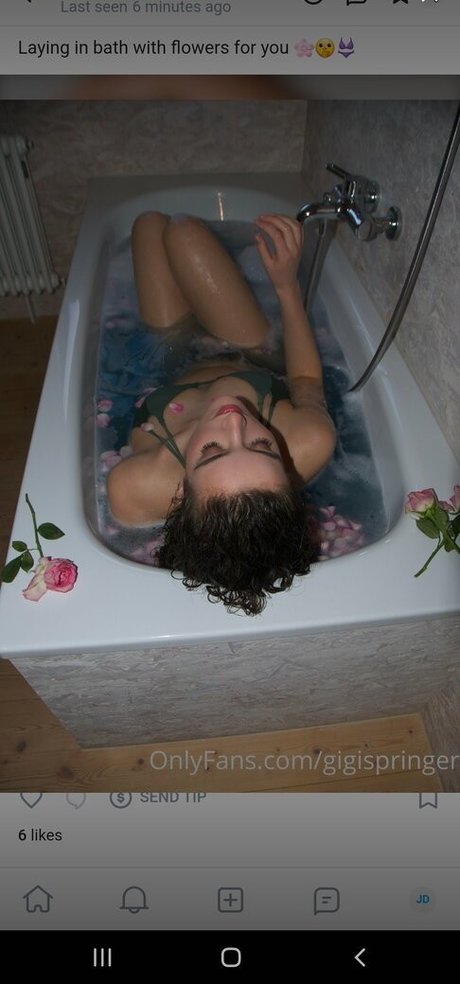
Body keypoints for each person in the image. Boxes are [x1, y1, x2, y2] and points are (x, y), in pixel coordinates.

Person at [107, 211, 336, 615]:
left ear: (181, 491)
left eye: (212, 451)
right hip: (245, 350)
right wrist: (286, 285)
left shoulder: (134, 487)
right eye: (262, 445)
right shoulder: (309, 440)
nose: (234, 421)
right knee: (184, 232)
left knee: (147, 225)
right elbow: (304, 378)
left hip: (171, 354)